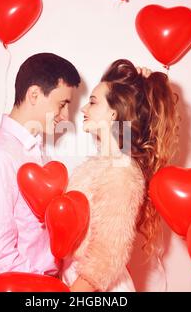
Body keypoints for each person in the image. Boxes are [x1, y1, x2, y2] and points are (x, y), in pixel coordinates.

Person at [60, 59, 179, 292]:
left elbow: (106, 258)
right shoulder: (99, 166)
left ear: (114, 114)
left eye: (93, 102)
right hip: (75, 280)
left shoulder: (121, 173)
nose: (83, 109)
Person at [0, 53, 81, 291]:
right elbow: (0, 255)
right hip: (20, 286)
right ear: (34, 95)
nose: (65, 117)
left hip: (41, 284)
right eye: (62, 105)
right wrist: (48, 289)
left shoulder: (36, 152)